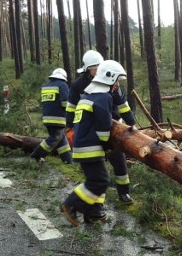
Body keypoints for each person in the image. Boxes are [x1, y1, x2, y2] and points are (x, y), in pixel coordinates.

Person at [61, 60, 127, 227]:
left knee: (95, 179)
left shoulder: (89, 96)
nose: (118, 84)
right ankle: (71, 204)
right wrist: (107, 146)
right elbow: (104, 127)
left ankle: (92, 214)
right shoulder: (103, 97)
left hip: (82, 147)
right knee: (100, 181)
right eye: (117, 79)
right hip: (90, 148)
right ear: (109, 77)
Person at [66, 50, 136, 205]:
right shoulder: (79, 84)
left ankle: (124, 193)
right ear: (87, 69)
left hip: (112, 126)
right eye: (93, 67)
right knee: (98, 169)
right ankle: (97, 204)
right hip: (90, 128)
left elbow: (123, 105)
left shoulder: (112, 82)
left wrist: (132, 124)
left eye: (99, 66)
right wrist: (70, 127)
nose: (97, 70)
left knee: (118, 159)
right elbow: (71, 107)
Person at [29, 68, 73, 164]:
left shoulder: (45, 86)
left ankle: (68, 160)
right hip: (59, 119)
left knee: (61, 140)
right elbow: (65, 102)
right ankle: (37, 154)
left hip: (47, 118)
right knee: (54, 138)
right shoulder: (62, 85)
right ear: (64, 77)